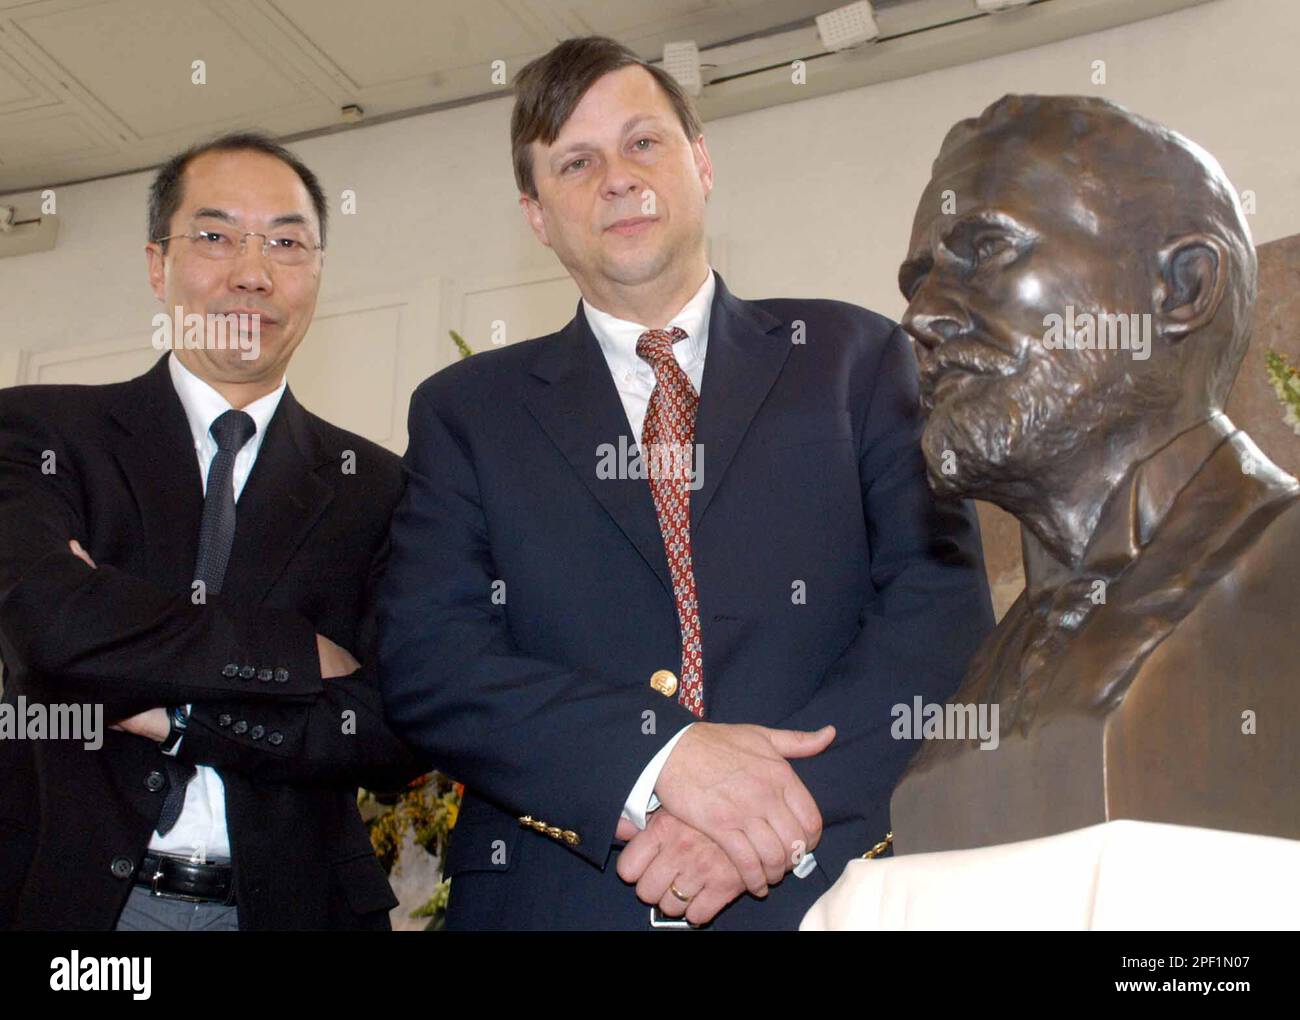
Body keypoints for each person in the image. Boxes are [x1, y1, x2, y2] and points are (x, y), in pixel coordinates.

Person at [377, 35, 993, 930]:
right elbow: (433, 661)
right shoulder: (466, 413)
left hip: (832, 884)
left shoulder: (856, 361)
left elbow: (939, 613)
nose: (618, 178)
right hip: (560, 897)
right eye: (576, 161)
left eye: (644, 142)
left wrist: (771, 811)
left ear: (701, 163)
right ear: (537, 215)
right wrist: (660, 761)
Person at [0, 132, 426, 931]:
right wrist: (294, 654)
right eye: (216, 236)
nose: (252, 272)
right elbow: (49, 627)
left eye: (287, 243)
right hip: (64, 903)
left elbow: (395, 728)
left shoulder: (380, 488)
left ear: (318, 272)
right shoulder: (40, 433)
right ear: (159, 264)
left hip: (294, 909)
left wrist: (179, 714)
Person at [891, 94, 1300, 853]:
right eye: (918, 281)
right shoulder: (984, 668)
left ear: (1180, 288)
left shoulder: (1282, 573)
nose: (924, 315)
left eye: (986, 250)